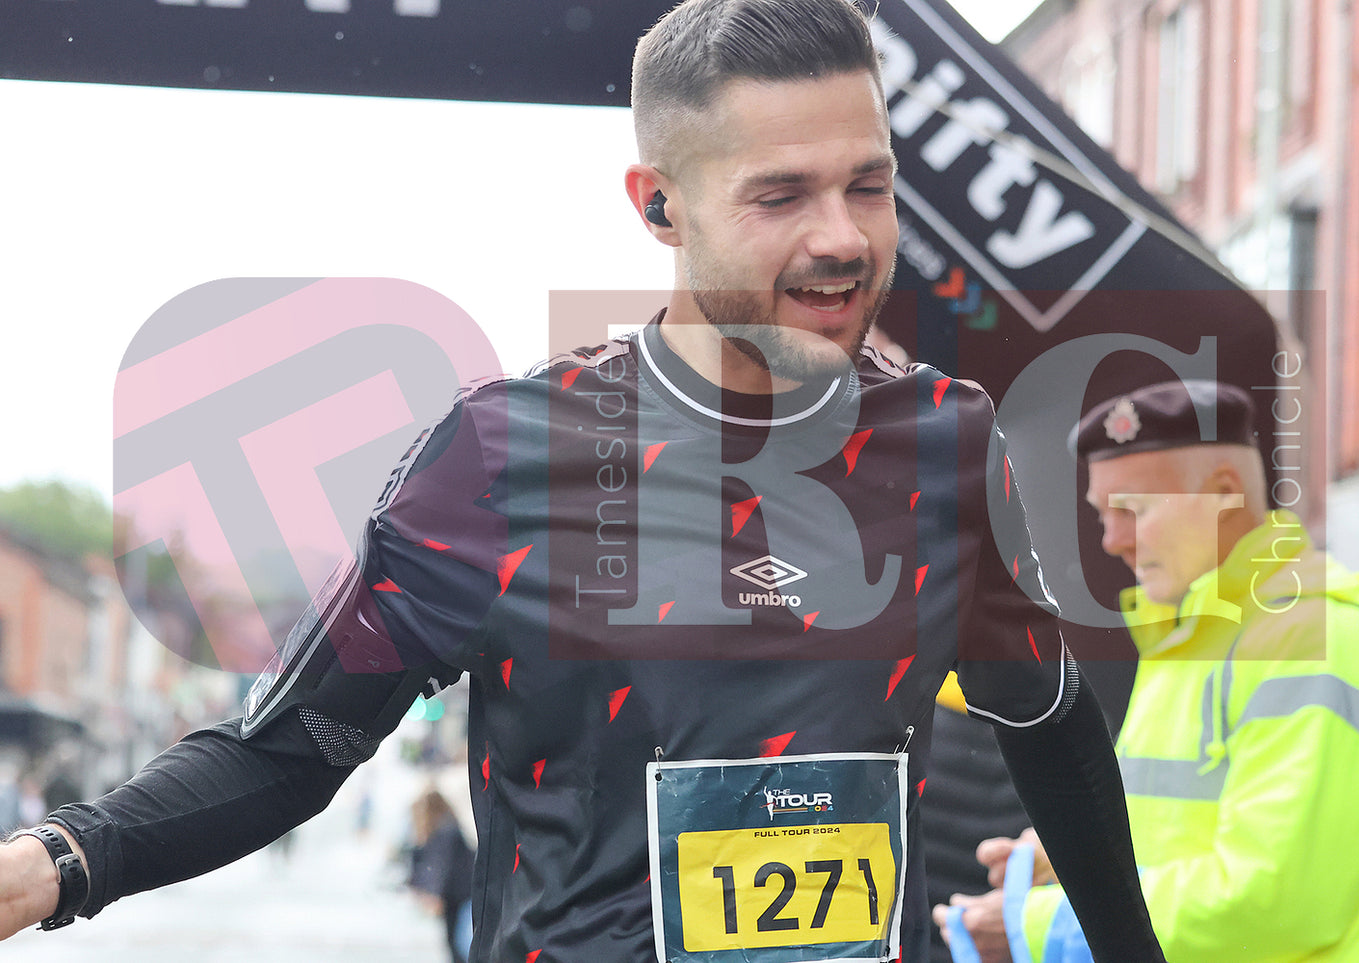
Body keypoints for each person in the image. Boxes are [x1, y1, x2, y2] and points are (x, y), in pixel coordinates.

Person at [0, 2, 1165, 960]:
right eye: (780, 195)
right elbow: (293, 745)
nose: (843, 237)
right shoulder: (498, 456)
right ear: (658, 204)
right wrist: (59, 862)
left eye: (868, 184)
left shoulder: (949, 440)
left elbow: (1044, 714)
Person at [937, 380, 1359, 962]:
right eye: (1103, 515)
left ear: (1225, 493)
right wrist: (1077, 857)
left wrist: (1035, 926)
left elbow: (1276, 902)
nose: (1113, 541)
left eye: (1133, 510)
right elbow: (1182, 831)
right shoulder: (1201, 639)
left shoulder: (1323, 645)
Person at [407, 788, 475, 963]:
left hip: (463, 894)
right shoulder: (445, 827)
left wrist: (433, 894)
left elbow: (440, 864)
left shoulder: (445, 830)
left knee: (460, 943)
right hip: (458, 894)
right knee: (456, 942)